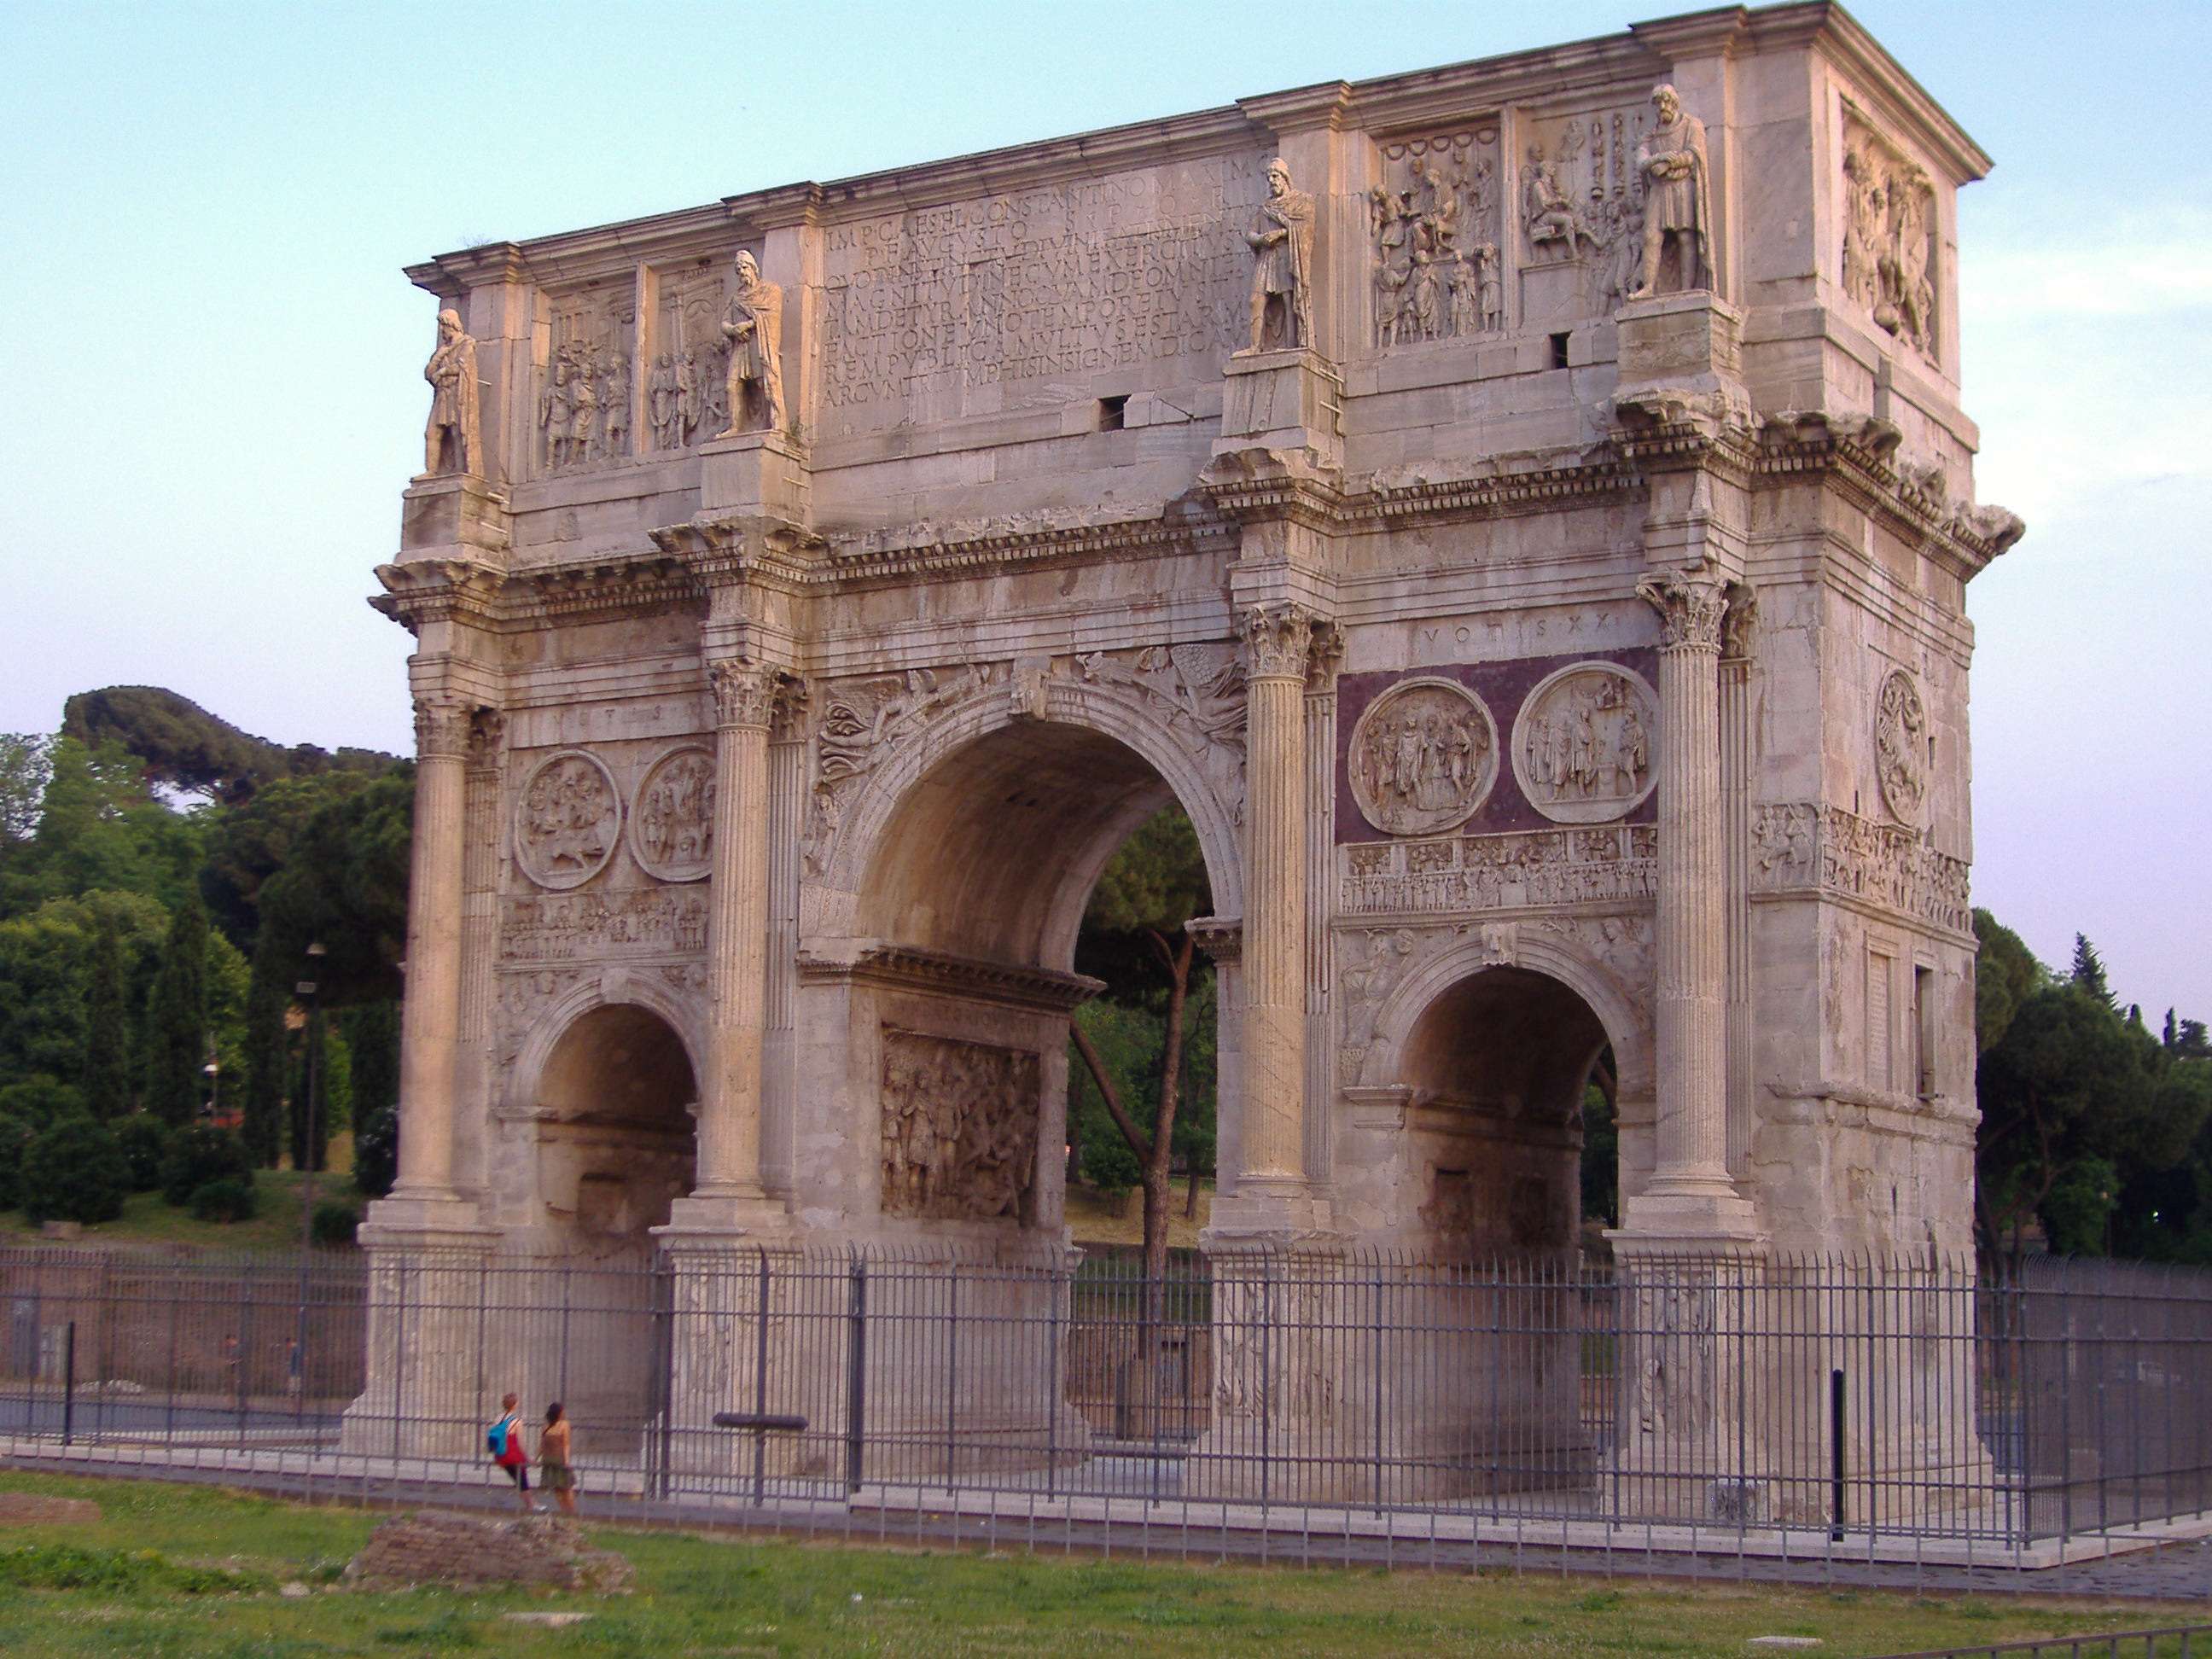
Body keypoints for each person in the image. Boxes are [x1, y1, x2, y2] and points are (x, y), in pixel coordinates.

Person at [490, 1392, 536, 1511]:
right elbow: (520, 1442)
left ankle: (532, 1504)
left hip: (501, 1455)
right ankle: (531, 1506)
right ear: (514, 1405)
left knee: (518, 1481)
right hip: (513, 1455)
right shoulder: (516, 1421)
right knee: (523, 1480)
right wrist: (527, 1458)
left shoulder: (498, 1418)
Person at [538, 1401, 578, 1516]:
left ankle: (564, 1510)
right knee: (567, 1486)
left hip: (547, 1460)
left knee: (556, 1487)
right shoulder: (564, 1425)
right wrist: (566, 1461)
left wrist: (536, 1459)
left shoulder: (545, 1426)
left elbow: (542, 1445)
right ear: (559, 1413)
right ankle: (571, 1511)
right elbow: (566, 1444)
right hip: (559, 1459)